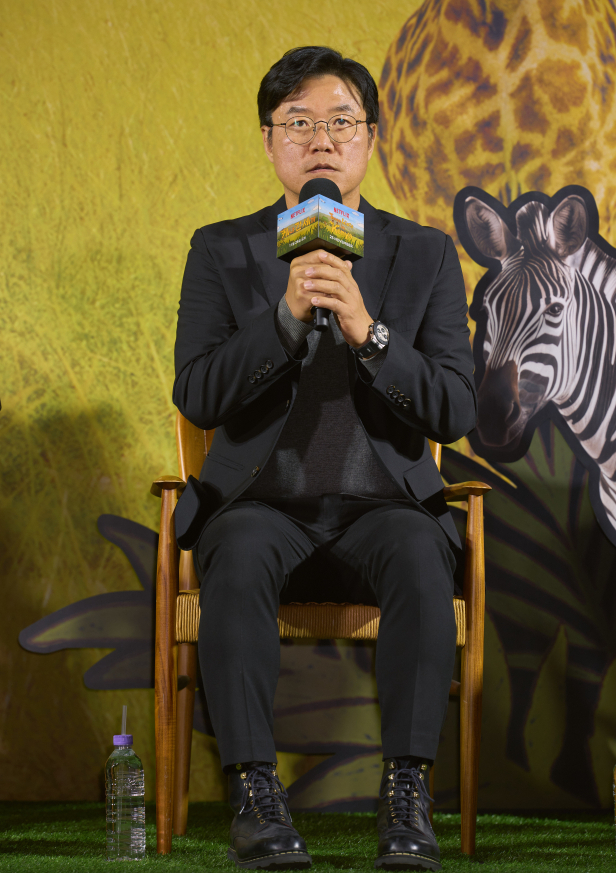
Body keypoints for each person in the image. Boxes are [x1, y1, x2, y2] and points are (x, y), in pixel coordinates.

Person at [173, 46, 476, 872]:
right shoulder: (221, 248)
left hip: (384, 506)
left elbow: (456, 405)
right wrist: (279, 322)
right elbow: (197, 394)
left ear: (370, 139)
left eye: (342, 122)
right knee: (230, 560)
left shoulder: (424, 254)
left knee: (422, 557)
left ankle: (407, 794)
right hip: (262, 506)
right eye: (298, 122)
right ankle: (255, 796)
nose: (321, 140)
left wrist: (369, 333)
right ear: (270, 142)